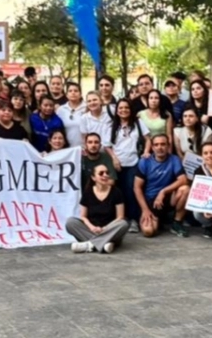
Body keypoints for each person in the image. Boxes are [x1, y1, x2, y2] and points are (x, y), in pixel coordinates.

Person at [134, 134, 189, 237]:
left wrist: (163, 192)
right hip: (150, 201)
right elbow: (137, 187)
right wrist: (145, 210)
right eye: (156, 145)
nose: (160, 147)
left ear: (168, 146)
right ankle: (158, 221)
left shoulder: (174, 159)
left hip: (167, 197)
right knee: (149, 232)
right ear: (152, 147)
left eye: (163, 144)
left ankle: (177, 223)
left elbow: (183, 180)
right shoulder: (144, 162)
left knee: (185, 189)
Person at [67, 163, 128, 254]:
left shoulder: (116, 192)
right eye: (101, 173)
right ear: (93, 178)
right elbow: (83, 216)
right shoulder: (88, 192)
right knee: (70, 222)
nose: (105, 175)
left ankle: (89, 245)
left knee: (123, 224)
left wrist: (105, 229)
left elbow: (120, 216)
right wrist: (92, 228)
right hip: (92, 229)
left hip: (110, 230)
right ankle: (104, 244)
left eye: (107, 173)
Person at [111, 98, 147, 230]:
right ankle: (120, 219)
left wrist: (146, 152)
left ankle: (133, 219)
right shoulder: (112, 125)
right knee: (119, 192)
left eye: (126, 107)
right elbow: (107, 145)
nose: (123, 110)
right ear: (117, 110)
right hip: (117, 164)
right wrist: (114, 158)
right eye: (120, 108)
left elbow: (148, 138)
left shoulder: (138, 123)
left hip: (133, 162)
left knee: (132, 191)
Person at [56, 83, 86, 147]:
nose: (73, 93)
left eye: (76, 91)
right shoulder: (61, 110)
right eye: (70, 91)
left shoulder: (87, 108)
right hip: (66, 147)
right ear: (66, 95)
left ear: (80, 94)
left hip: (83, 147)